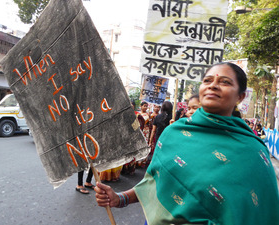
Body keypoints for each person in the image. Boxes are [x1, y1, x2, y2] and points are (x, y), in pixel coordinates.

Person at [94, 62, 279, 224]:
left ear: (240, 96)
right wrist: (119, 199)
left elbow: (261, 211)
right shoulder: (175, 133)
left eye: (224, 82)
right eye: (207, 81)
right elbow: (153, 182)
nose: (213, 85)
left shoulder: (252, 151)